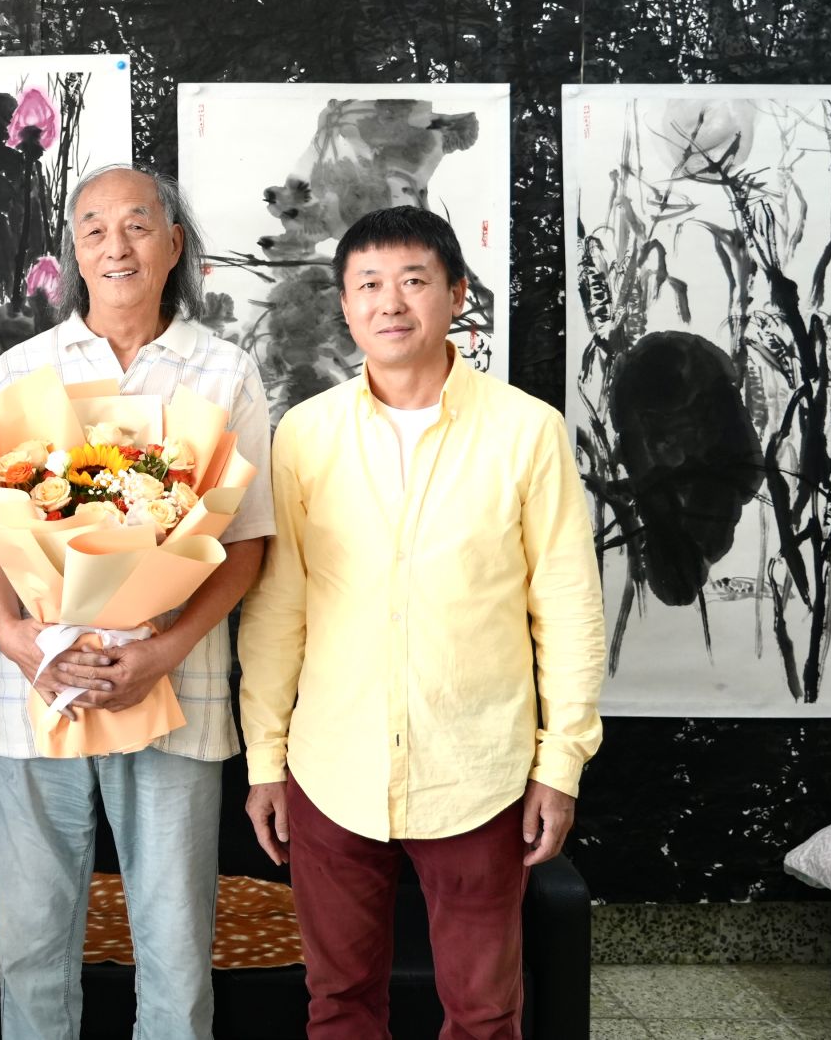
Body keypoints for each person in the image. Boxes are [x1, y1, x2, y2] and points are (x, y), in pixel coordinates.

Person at [237, 204, 606, 1040]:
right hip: (331, 768)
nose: (390, 301)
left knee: (484, 1013)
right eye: (368, 283)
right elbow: (278, 605)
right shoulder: (306, 434)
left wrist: (560, 764)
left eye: (413, 280)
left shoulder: (527, 431)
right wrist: (266, 759)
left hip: (477, 769)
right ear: (344, 304)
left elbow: (569, 608)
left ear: (456, 294)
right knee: (339, 1003)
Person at [0, 164, 275, 1040]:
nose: (117, 245)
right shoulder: (22, 369)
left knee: (176, 952)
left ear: (173, 245)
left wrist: (162, 650)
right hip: (37, 695)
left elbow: (247, 542)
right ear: (74, 249)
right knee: (31, 949)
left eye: (138, 225)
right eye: (95, 227)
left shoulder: (225, 372)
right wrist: (15, 636)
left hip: (178, 692)